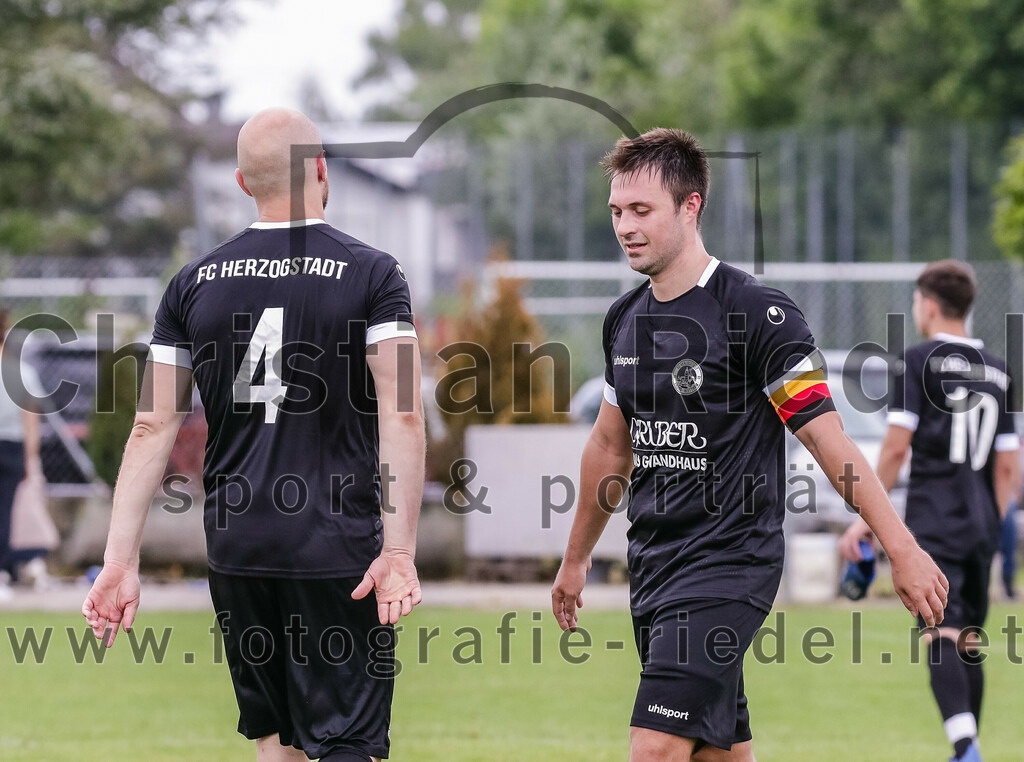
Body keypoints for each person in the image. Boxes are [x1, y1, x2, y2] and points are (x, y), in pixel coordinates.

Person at [550, 128, 949, 762]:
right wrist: (575, 560)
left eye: (642, 210)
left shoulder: (756, 313)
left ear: (691, 206)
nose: (625, 226)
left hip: (730, 564)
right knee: (718, 752)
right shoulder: (623, 320)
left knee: (654, 746)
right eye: (617, 212)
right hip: (655, 565)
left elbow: (827, 439)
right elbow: (608, 447)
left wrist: (900, 546)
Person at [82, 108, 425, 762]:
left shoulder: (192, 283)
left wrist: (119, 562)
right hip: (334, 544)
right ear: (322, 170)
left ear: (244, 182)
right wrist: (400, 550)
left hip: (238, 545)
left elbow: (153, 424)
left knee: (278, 742)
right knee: (346, 742)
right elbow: (404, 412)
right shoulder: (372, 274)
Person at [841, 260, 1020, 762]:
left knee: (940, 634)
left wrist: (866, 519)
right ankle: (970, 748)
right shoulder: (1001, 371)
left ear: (930, 303)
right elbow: (1009, 466)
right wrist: (991, 517)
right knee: (968, 639)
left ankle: (965, 747)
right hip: (983, 520)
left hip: (932, 521)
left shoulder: (916, 361)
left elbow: (897, 449)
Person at [0, 309, 46, 599]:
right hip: (12, 447)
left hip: (11, 446)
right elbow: (31, 421)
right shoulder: (22, 372)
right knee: (4, 512)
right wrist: (31, 459)